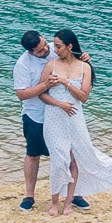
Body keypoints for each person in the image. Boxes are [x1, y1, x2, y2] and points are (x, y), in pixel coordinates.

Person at [37, 28, 112, 215]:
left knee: (75, 159)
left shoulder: (85, 67)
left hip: (75, 118)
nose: (55, 50)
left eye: (59, 46)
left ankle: (69, 202)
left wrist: (65, 82)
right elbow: (42, 94)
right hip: (54, 117)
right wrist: (59, 103)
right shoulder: (50, 66)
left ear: (70, 47)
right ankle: (54, 203)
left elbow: (84, 97)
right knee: (59, 160)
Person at [12, 31, 68, 210]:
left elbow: (74, 60)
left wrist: (85, 57)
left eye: (45, 44)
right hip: (35, 114)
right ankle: (29, 195)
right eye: (40, 50)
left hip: (59, 111)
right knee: (33, 154)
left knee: (66, 153)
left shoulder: (54, 48)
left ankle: (72, 193)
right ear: (31, 52)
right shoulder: (23, 64)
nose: (46, 49)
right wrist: (45, 85)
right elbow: (21, 94)